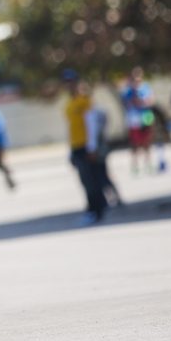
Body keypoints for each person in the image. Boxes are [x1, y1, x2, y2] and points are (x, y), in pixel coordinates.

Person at [63, 70, 108, 225]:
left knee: (92, 181)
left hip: (87, 146)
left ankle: (95, 210)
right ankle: (94, 208)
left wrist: (92, 147)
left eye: (72, 81)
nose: (69, 85)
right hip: (76, 146)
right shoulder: (69, 103)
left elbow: (92, 126)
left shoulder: (85, 101)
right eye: (67, 82)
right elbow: (70, 127)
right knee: (85, 180)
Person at [121, 67, 156, 175]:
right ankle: (135, 165)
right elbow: (126, 103)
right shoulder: (128, 90)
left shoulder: (146, 87)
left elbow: (151, 100)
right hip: (134, 119)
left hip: (146, 117)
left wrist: (143, 102)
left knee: (147, 142)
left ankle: (148, 163)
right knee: (135, 143)